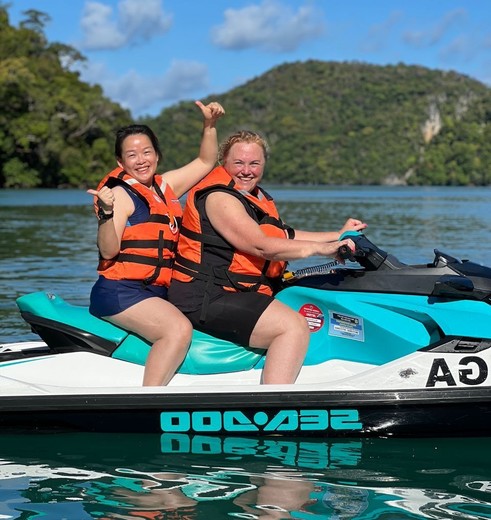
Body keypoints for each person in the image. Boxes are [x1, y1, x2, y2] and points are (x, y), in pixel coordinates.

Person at [168, 130, 367, 385]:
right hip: (206, 295)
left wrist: (337, 236)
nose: (246, 171)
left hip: (235, 290)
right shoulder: (220, 198)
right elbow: (261, 246)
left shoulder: (254, 197)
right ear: (223, 162)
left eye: (254, 163)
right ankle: (275, 408)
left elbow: (285, 235)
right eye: (238, 163)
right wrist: (321, 249)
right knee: (292, 327)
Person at [87, 100, 225, 387]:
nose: (141, 160)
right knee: (177, 330)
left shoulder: (165, 187)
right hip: (120, 292)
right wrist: (107, 213)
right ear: (120, 163)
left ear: (157, 156)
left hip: (154, 291)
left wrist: (209, 126)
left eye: (147, 152)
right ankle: (149, 398)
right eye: (132, 155)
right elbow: (109, 251)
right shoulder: (120, 196)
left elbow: (204, 162)